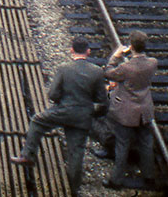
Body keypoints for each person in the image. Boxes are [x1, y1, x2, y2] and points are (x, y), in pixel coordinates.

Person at [9, 38, 106, 196]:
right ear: (88, 51)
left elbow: (53, 94)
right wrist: (90, 112)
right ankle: (73, 189)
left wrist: (62, 102)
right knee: (76, 152)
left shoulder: (64, 68)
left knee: (37, 121)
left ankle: (28, 155)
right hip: (83, 116)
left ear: (71, 50)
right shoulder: (97, 71)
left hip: (63, 111)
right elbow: (102, 101)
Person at [103, 31, 158, 189]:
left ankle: (116, 180)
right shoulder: (153, 63)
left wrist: (116, 56)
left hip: (126, 113)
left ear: (131, 46)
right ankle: (149, 177)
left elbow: (109, 72)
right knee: (146, 144)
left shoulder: (126, 67)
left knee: (122, 145)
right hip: (145, 111)